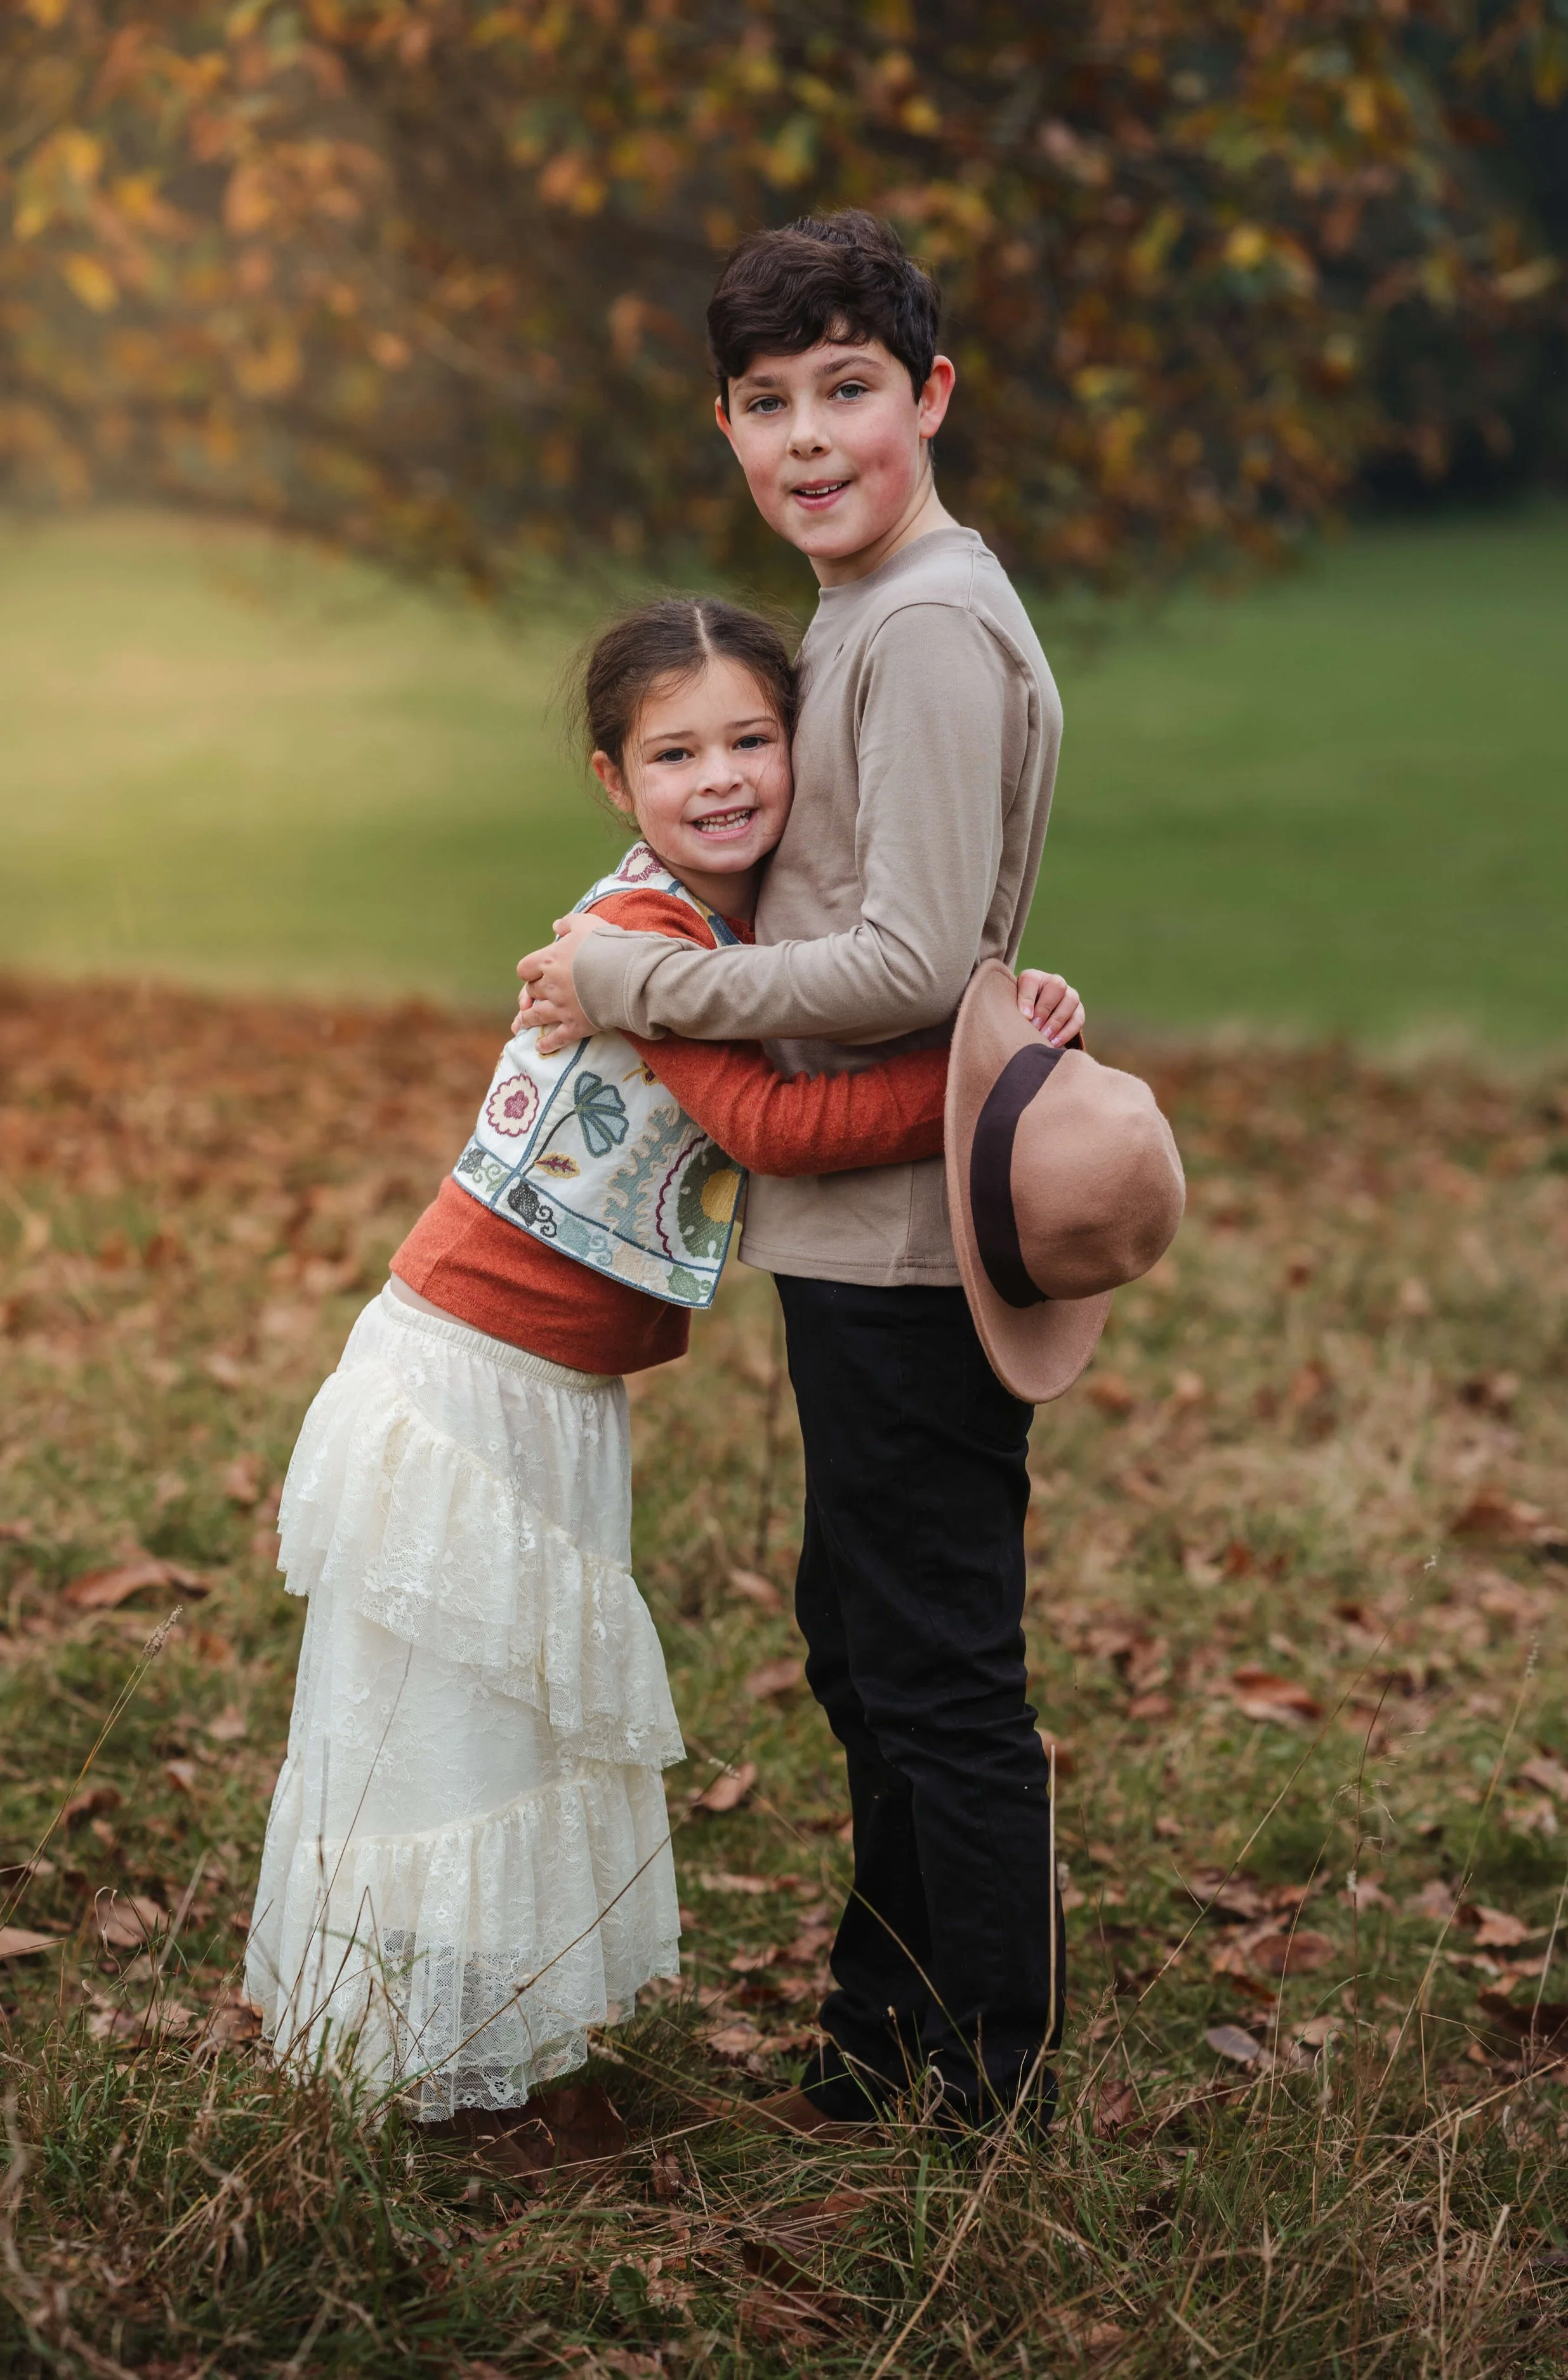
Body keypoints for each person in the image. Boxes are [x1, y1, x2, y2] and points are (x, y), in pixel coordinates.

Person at [246, 593, 1079, 2178]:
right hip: (468, 1372)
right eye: (673, 752)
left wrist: (998, 1027)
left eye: (751, 740)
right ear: (612, 781)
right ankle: (409, 2079)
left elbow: (833, 1018)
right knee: (446, 1737)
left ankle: (485, 2054)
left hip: (549, 1387)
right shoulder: (635, 943)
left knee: (506, 1733)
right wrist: (992, 1081)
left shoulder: (738, 943)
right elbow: (783, 1134)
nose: (720, 778)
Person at [517, 211, 1073, 2134]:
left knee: (932, 1666)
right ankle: (878, 2026)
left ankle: (985, 2084)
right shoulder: (874, 607)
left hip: (906, 1238)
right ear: (728, 428)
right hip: (855, 1224)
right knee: (864, 1634)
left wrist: (630, 978)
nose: (808, 438)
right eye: (767, 403)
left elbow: (910, 962)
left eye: (849, 390)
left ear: (928, 396)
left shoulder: (914, 623)